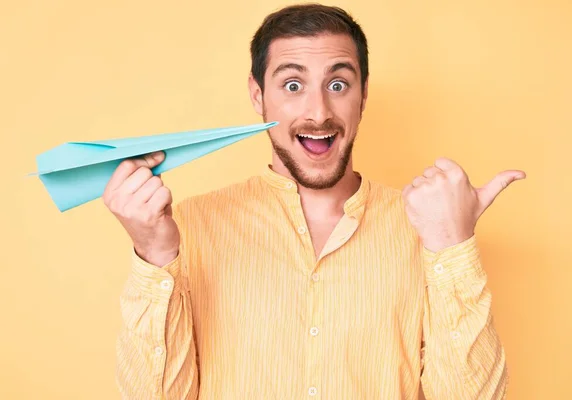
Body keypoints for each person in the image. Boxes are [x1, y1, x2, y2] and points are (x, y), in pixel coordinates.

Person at [105, 3, 524, 399]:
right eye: (292, 85)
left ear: (362, 96)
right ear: (257, 95)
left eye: (338, 84)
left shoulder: (427, 228)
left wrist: (453, 247)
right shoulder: (188, 227)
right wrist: (155, 255)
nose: (318, 112)